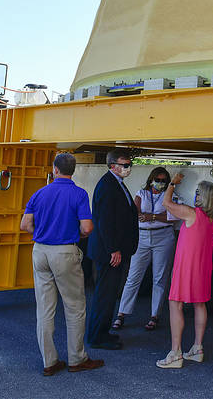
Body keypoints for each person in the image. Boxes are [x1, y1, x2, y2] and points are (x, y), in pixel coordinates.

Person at [20, 153, 104, 376]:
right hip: (65, 251)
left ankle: (49, 362)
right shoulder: (78, 194)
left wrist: (41, 232)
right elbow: (87, 228)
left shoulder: (39, 193)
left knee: (45, 309)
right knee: (75, 307)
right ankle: (77, 359)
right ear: (73, 170)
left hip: (40, 251)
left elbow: (25, 224)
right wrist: (73, 233)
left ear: (55, 169)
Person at [156, 175, 213, 369]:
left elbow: (166, 203)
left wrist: (173, 184)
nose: (196, 195)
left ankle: (175, 353)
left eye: (199, 192)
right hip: (203, 267)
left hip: (186, 266)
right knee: (199, 304)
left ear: (205, 197)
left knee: (175, 303)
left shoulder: (191, 213)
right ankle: (197, 348)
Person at [113, 166, 182, 332]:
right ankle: (121, 313)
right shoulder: (142, 193)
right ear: (151, 179)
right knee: (133, 276)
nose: (159, 183)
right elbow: (134, 212)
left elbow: (173, 217)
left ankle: (154, 316)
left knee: (159, 278)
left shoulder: (171, 196)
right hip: (142, 236)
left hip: (163, 237)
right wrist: (149, 216)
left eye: (163, 181)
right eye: (157, 180)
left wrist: (151, 217)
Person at [85, 149, 139, 350]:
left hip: (112, 251)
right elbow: (105, 222)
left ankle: (102, 332)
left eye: (129, 164)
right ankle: (97, 337)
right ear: (112, 166)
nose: (128, 168)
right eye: (124, 165)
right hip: (109, 252)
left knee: (108, 293)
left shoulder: (116, 184)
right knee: (105, 295)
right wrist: (113, 249)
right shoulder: (108, 186)